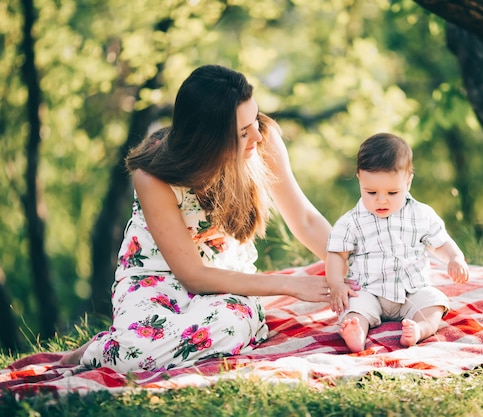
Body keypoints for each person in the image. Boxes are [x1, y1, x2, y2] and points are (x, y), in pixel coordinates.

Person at [61, 64, 336, 372]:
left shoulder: (262, 140)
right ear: (209, 140)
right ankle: (108, 350)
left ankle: (131, 346)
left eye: (254, 119)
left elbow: (305, 219)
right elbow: (192, 275)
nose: (257, 135)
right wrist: (290, 286)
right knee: (138, 353)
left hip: (226, 283)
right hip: (155, 281)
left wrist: (357, 269)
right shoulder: (153, 174)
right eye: (243, 132)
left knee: (228, 327)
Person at [325, 133, 469, 353]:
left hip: (411, 290)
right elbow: (336, 254)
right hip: (368, 290)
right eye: (371, 192)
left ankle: (419, 329)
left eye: (392, 192)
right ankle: (356, 332)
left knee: (435, 302)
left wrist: (455, 257)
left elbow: (440, 242)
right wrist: (336, 284)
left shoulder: (421, 214)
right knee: (354, 308)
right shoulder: (351, 221)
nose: (381, 200)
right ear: (359, 179)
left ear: (408, 181)